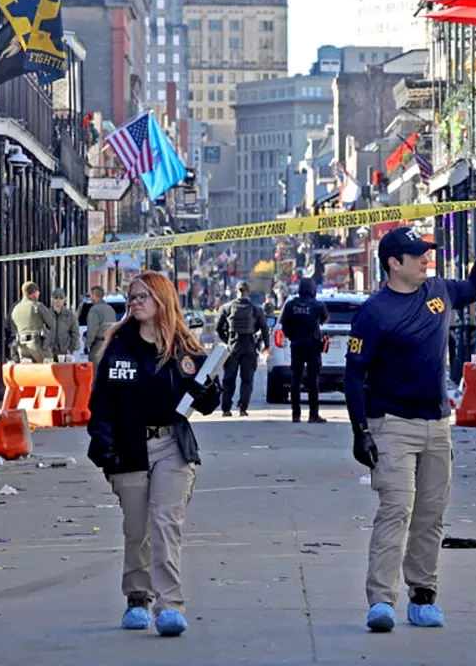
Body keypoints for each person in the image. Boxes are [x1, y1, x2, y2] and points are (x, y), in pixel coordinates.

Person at [344, 207, 476, 633]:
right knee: (397, 508)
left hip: (436, 424)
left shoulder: (438, 291)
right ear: (393, 263)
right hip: (391, 424)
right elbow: (354, 375)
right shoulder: (373, 313)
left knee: (431, 514)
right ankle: (381, 600)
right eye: (417, 255)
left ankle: (423, 594)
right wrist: (361, 431)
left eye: (426, 253)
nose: (425, 259)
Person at [86, 272, 221, 637]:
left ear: (162, 299)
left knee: (165, 524)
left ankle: (170, 605)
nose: (136, 302)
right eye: (132, 297)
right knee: (137, 529)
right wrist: (103, 446)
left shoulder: (184, 348)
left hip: (172, 447)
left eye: (144, 296)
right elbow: (101, 404)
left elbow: (208, 401)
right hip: (129, 447)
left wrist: (206, 389)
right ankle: (137, 597)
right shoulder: (118, 346)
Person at [279, 279, 329, 423]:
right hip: (313, 345)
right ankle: (313, 415)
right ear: (313, 289)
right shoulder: (318, 305)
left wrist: (293, 336)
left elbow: (285, 326)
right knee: (313, 380)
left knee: (296, 379)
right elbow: (325, 319)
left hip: (296, 344)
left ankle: (296, 415)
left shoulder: (290, 305)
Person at [216, 281, 269, 417]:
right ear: (248, 292)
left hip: (233, 346)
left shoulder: (226, 308)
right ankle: (242, 407)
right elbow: (264, 329)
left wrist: (226, 340)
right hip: (249, 346)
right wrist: (266, 346)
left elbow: (218, 327)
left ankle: (226, 408)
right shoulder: (256, 309)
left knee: (229, 379)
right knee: (247, 379)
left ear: (236, 292)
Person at [12, 281, 55, 362]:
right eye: (37, 292)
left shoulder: (15, 309)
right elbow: (51, 323)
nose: (39, 294)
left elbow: (12, 326)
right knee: (50, 365)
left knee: (28, 372)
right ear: (33, 293)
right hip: (37, 345)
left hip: (22, 346)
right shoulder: (37, 306)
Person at [85, 285, 118, 362]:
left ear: (94, 295)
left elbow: (92, 330)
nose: (90, 297)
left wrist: (87, 345)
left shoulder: (94, 310)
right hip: (110, 345)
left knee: (96, 371)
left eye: (91, 295)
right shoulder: (111, 309)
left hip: (98, 346)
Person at [49, 287, 81, 359]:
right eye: (56, 298)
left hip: (64, 351)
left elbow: (75, 334)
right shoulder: (46, 314)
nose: (58, 301)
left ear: (64, 300)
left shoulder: (70, 315)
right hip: (49, 351)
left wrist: (71, 349)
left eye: (61, 298)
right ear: (52, 299)